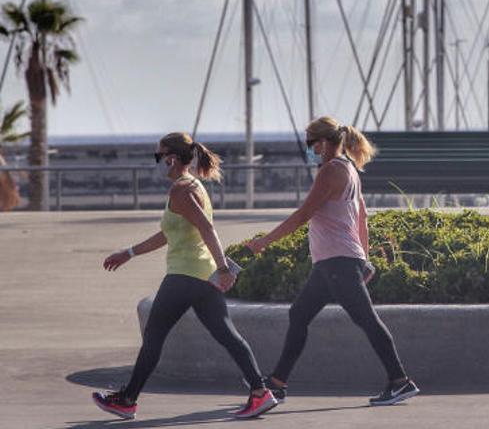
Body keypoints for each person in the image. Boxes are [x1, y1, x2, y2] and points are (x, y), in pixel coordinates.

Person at [92, 132, 277, 420]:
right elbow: (168, 234)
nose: (156, 162)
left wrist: (225, 269)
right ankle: (260, 392)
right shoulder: (193, 186)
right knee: (227, 335)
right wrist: (128, 252)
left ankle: (127, 400)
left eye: (158, 156)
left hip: (184, 276)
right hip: (202, 276)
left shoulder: (181, 190)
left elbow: (207, 229)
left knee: (154, 338)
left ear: (171, 158)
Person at [246, 116, 419, 406]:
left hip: (337, 260)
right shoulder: (350, 168)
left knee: (367, 320)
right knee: (299, 314)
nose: (310, 149)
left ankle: (400, 381)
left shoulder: (330, 171)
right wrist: (363, 258)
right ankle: (277, 383)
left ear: (324, 143)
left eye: (310, 144)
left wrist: (264, 241)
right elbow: (361, 216)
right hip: (335, 260)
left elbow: (304, 214)